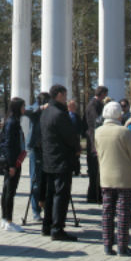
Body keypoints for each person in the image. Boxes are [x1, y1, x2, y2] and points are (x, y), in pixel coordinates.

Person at [97, 101, 131, 256]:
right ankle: (122, 246)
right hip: (124, 177)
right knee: (123, 212)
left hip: (105, 177)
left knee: (107, 211)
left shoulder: (98, 131)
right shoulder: (124, 132)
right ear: (119, 115)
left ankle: (107, 244)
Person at [41, 84, 80, 241]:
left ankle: (47, 225)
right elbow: (70, 136)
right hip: (62, 159)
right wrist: (77, 148)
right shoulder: (60, 114)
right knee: (61, 195)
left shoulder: (46, 112)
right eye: (64, 95)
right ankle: (57, 228)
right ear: (58, 95)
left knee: (50, 194)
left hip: (49, 159)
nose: (66, 98)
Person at [0, 97, 27, 232]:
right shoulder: (12, 122)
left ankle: (5, 219)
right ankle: (8, 221)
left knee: (7, 190)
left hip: (13, 161)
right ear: (17, 107)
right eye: (23, 106)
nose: (24, 109)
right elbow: (9, 144)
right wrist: (11, 165)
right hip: (12, 162)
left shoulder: (12, 121)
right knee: (9, 191)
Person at [26, 92, 49, 221]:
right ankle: (36, 211)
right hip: (36, 148)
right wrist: (40, 108)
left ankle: (46, 206)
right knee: (35, 180)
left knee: (46, 180)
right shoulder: (35, 110)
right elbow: (27, 111)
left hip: (47, 148)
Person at [84, 85, 108, 204]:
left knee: (96, 170)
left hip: (94, 137)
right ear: (102, 94)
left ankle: (96, 194)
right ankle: (94, 196)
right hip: (94, 139)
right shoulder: (94, 105)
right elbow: (95, 122)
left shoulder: (94, 104)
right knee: (95, 170)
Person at [67, 99, 86, 176]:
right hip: (68, 139)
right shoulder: (65, 115)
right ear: (68, 106)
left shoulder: (77, 116)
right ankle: (69, 169)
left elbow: (80, 127)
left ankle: (77, 170)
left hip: (76, 139)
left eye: (75, 105)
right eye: (72, 105)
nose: (74, 107)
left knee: (77, 155)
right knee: (69, 155)